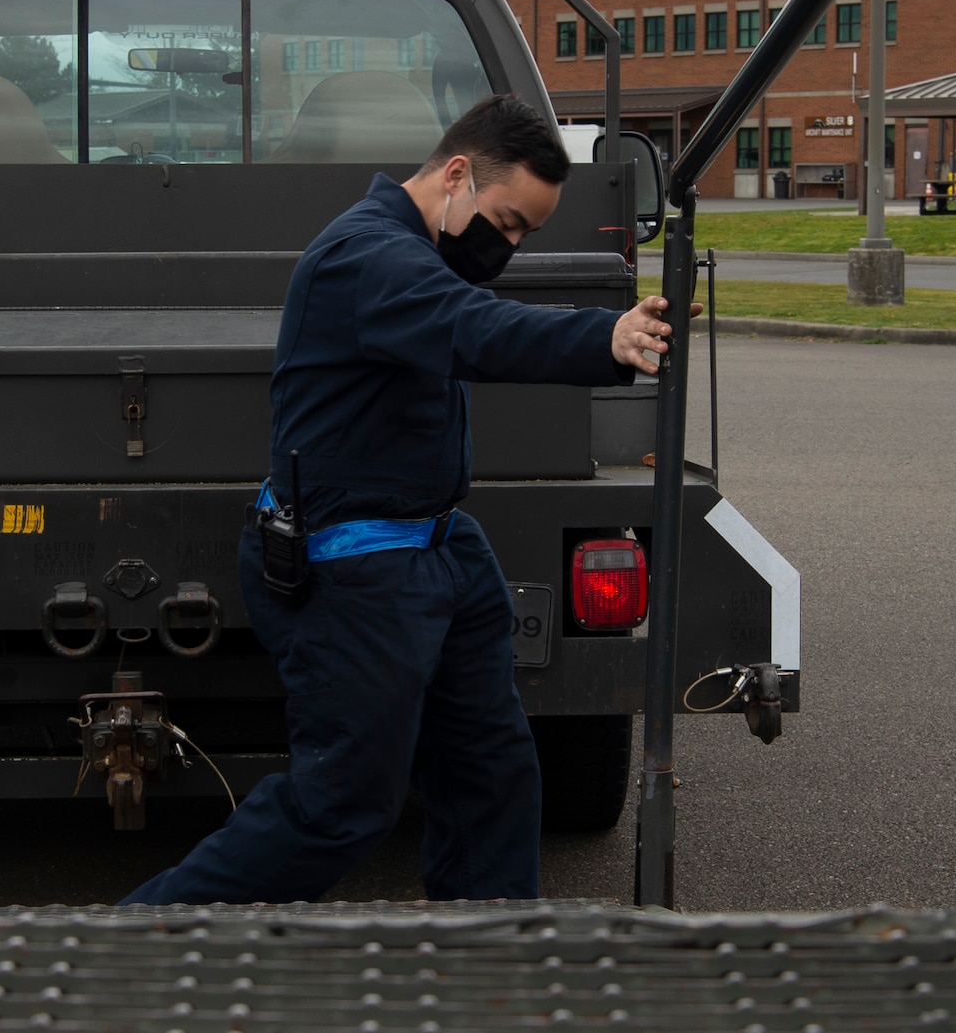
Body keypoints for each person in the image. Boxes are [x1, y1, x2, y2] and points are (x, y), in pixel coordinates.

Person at [123, 95, 693, 906]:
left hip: (436, 549)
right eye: (511, 221)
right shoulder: (368, 257)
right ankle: (133, 944)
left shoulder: (418, 255)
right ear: (456, 174)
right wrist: (601, 338)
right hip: (354, 566)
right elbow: (476, 329)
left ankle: (486, 959)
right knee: (341, 806)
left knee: (491, 773)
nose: (513, 244)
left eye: (528, 230)